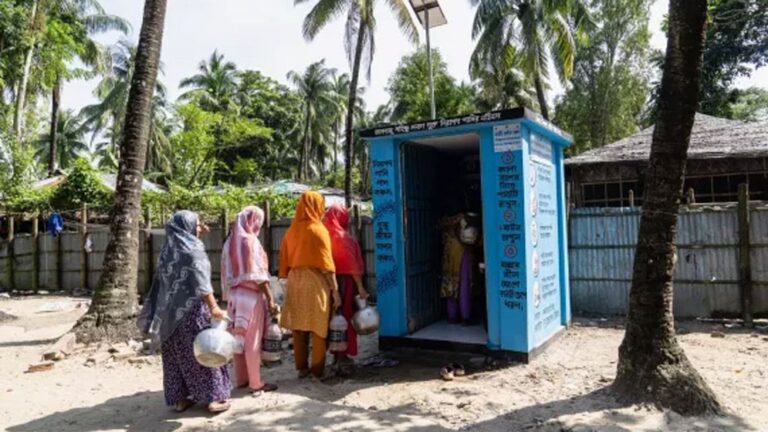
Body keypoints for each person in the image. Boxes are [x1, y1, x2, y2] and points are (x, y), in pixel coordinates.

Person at [137, 211, 231, 414]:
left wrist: (197, 235)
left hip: (169, 315)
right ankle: (214, 398)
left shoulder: (168, 250)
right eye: (197, 224)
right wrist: (214, 307)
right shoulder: (193, 250)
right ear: (186, 227)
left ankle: (180, 399)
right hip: (192, 311)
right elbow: (202, 284)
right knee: (203, 351)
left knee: (176, 356)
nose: (200, 227)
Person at [279, 191, 341, 380]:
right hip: (315, 282)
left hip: (295, 281)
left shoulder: (291, 231)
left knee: (299, 327)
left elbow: (283, 260)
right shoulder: (318, 230)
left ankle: (301, 368)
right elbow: (327, 266)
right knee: (318, 327)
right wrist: (335, 292)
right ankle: (317, 370)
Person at [221, 206, 278, 393]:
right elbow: (260, 276)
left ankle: (241, 379)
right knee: (252, 340)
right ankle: (256, 383)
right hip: (251, 297)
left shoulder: (229, 242)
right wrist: (270, 299)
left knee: (238, 339)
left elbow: (224, 273)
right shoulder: (251, 242)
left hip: (234, 296)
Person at [323, 205, 368, 370]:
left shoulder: (324, 236)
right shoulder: (343, 238)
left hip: (327, 283)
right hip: (345, 283)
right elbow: (351, 266)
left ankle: (335, 356)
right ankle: (342, 357)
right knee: (345, 317)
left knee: (333, 318)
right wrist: (360, 287)